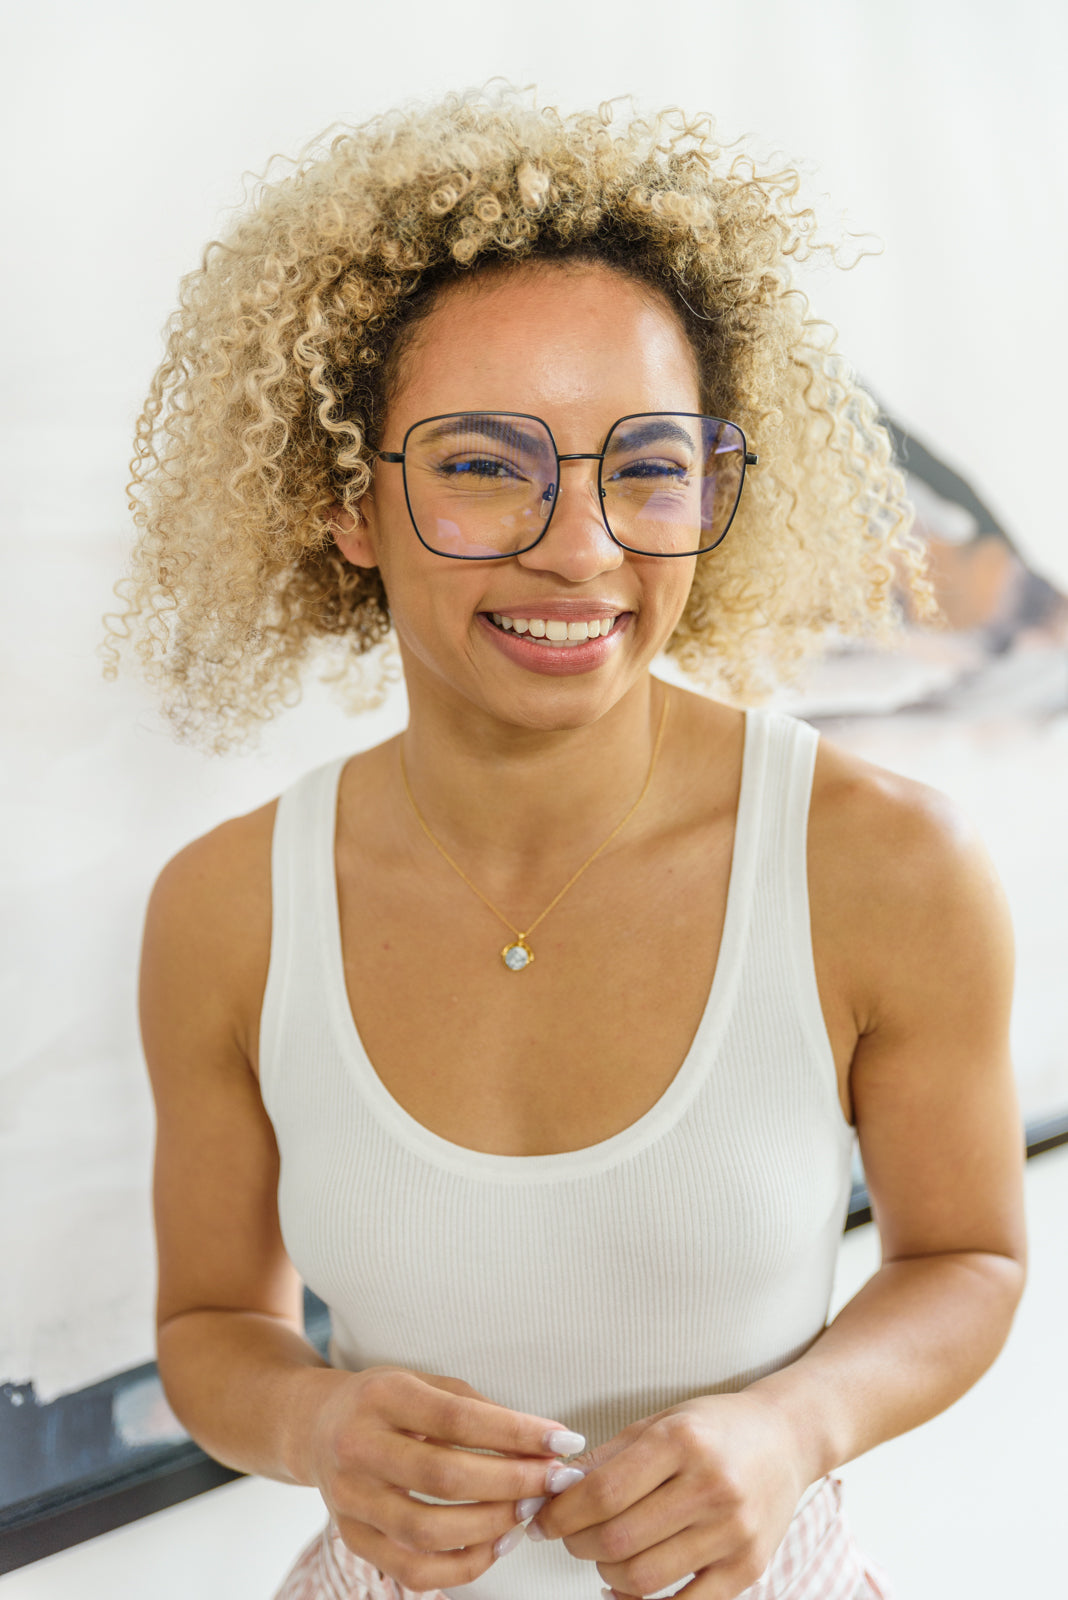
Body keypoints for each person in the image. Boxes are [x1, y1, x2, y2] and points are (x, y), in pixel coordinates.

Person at [106, 89, 1027, 1600]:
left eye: (647, 467)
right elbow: (215, 1327)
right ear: (350, 502)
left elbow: (971, 1262)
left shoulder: (885, 870)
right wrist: (317, 1420)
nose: (582, 546)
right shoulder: (227, 910)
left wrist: (797, 1425)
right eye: (482, 464)